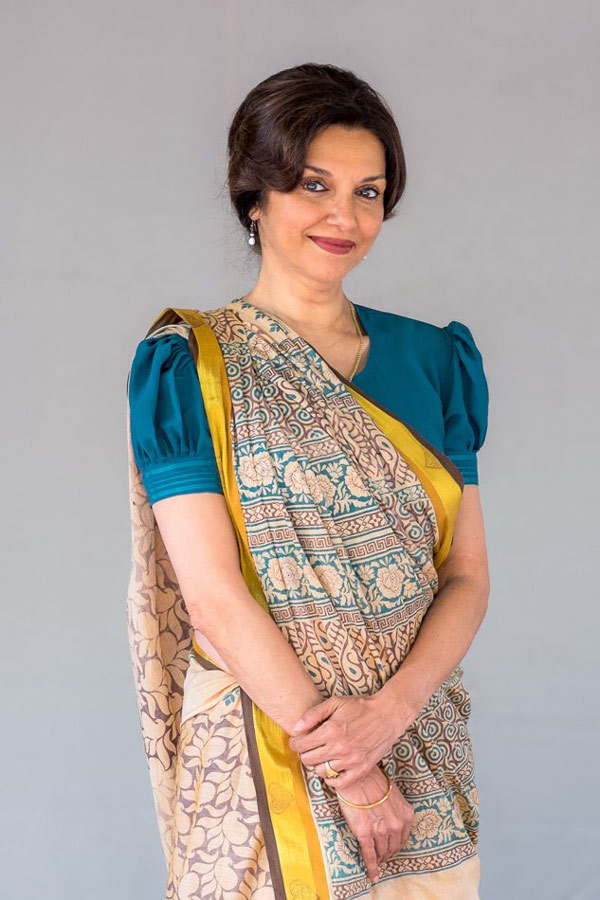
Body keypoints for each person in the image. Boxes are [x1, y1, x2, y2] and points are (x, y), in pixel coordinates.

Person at [125, 62, 490, 900]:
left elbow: (467, 575)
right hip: (269, 739)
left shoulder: (435, 362)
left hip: (418, 734)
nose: (344, 217)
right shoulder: (191, 367)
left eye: (369, 192)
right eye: (313, 185)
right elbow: (214, 597)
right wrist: (353, 771)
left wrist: (389, 715)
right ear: (255, 196)